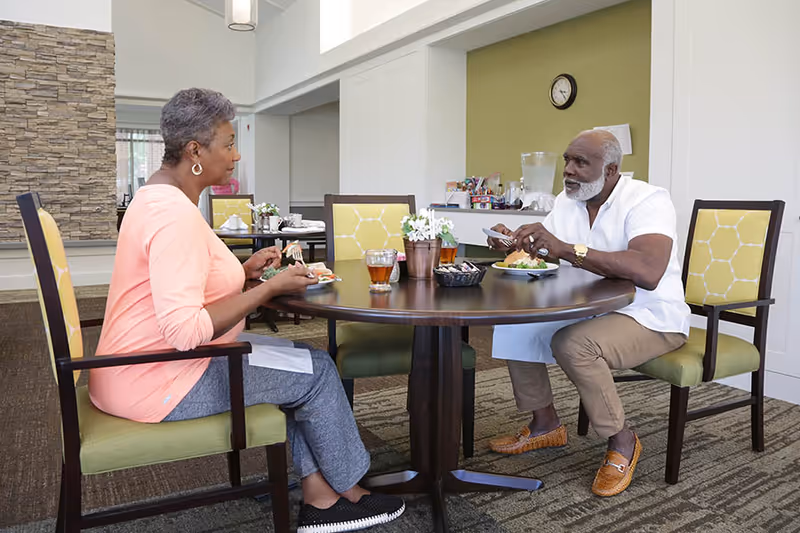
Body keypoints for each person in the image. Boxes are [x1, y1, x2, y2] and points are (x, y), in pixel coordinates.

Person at [89, 88, 404, 532]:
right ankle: (344, 492)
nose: (236, 156)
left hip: (135, 369)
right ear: (195, 150)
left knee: (305, 360)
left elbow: (184, 285)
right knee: (316, 373)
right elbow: (184, 330)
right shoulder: (173, 215)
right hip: (159, 377)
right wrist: (266, 289)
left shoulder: (156, 197)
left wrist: (242, 271)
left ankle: (318, 490)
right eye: (229, 143)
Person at [486, 130, 690, 497]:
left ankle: (622, 441)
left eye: (581, 162)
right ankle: (545, 423)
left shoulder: (648, 200)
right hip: (592, 308)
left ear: (610, 170)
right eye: (567, 160)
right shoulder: (569, 201)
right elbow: (548, 249)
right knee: (515, 321)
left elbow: (648, 269)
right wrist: (515, 240)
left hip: (650, 315)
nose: (569, 170)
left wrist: (565, 249)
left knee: (573, 343)